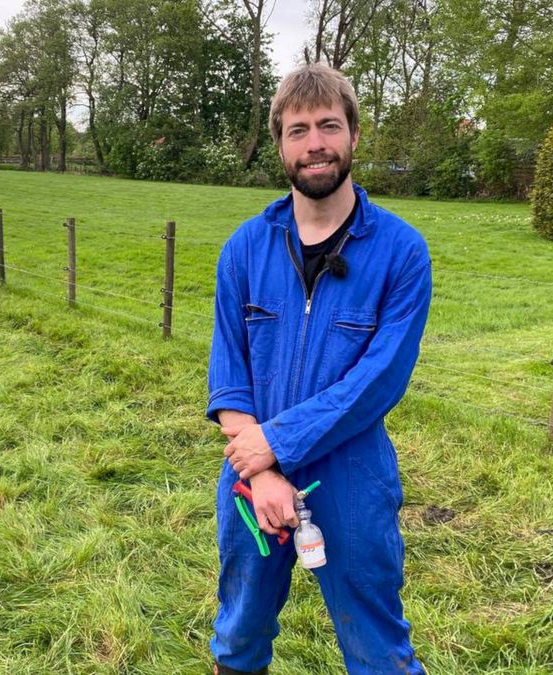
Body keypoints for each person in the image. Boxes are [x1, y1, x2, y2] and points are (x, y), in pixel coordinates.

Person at [206, 62, 432, 674]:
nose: (315, 144)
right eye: (298, 130)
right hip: (250, 471)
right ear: (280, 143)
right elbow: (229, 373)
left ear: (354, 136)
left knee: (376, 639)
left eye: (328, 126)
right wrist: (261, 471)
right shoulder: (245, 248)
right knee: (241, 625)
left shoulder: (401, 252)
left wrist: (274, 445)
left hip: (351, 473)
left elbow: (379, 380)